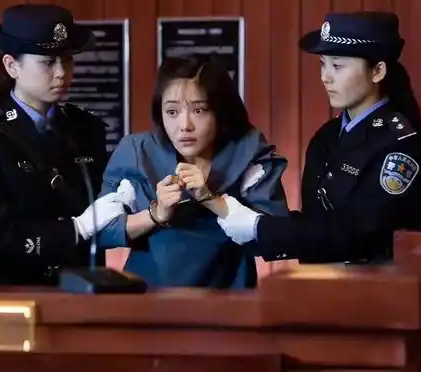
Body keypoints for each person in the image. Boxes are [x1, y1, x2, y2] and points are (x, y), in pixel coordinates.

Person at [216, 11, 421, 264]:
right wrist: (254, 220)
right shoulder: (326, 136)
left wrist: (261, 227)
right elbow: (317, 223)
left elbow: (363, 234)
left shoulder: (401, 143)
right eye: (322, 64)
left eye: (337, 66)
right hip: (320, 279)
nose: (325, 77)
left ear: (377, 71)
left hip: (374, 284)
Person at [0, 4, 134, 285]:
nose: (61, 72)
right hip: (11, 291)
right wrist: (75, 230)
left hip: (79, 288)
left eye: (67, 60)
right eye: (48, 62)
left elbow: (103, 209)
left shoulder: (85, 128)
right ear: (12, 66)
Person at [97, 54, 289, 289]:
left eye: (199, 110)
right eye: (172, 112)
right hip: (149, 297)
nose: (185, 125)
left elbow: (277, 236)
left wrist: (211, 200)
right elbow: (101, 230)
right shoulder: (137, 151)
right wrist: (157, 214)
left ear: (220, 111)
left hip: (229, 298)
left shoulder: (247, 151)